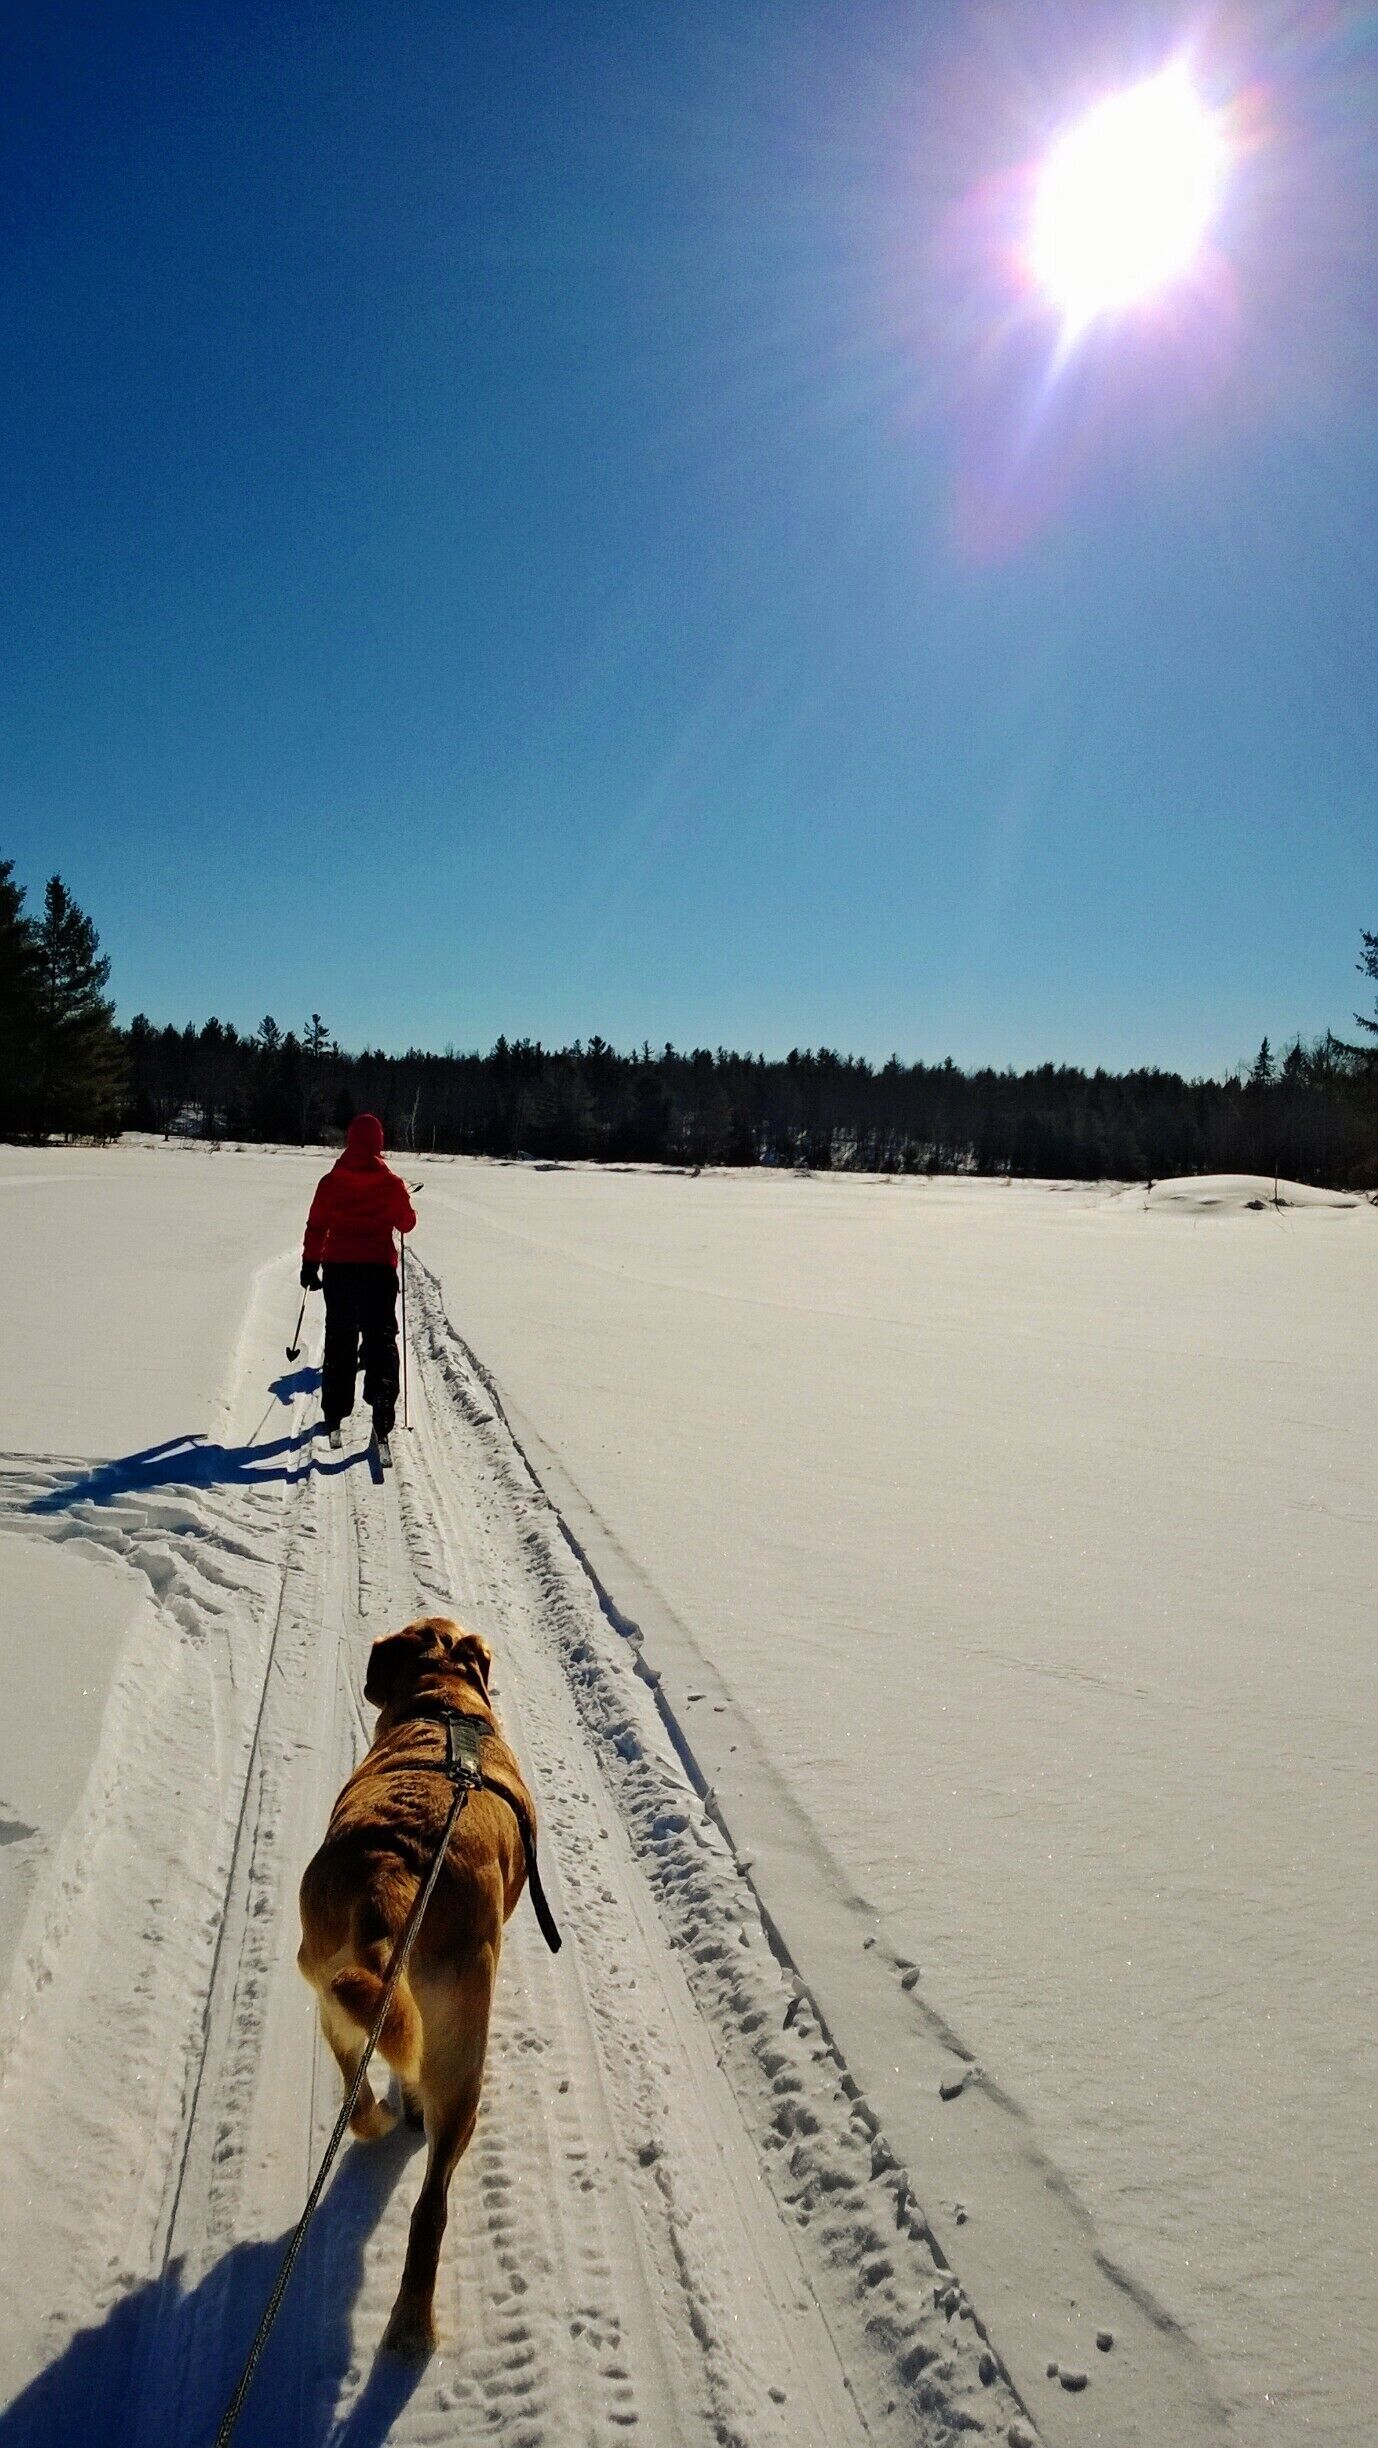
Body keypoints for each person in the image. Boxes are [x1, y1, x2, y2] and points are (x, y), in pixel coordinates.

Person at [300, 1114, 416, 1444]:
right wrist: (409, 1210)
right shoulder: (391, 1183)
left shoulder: (330, 1182)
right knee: (380, 1337)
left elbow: (316, 1226)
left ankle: (335, 1408)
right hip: (378, 1270)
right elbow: (406, 1224)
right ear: (379, 1141)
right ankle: (381, 1397)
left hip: (339, 1270)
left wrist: (310, 1264)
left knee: (340, 1337)